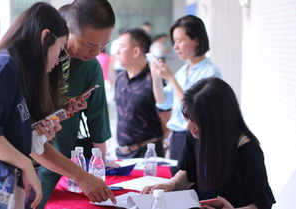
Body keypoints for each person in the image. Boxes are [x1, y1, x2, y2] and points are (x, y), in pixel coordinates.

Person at [0, 2, 70, 208]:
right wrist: (25, 165)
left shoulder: (15, 71)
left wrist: (34, 138)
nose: (58, 60)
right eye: (59, 49)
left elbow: (3, 132)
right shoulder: (4, 66)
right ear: (44, 37)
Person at [142, 77, 276, 209]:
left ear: (218, 120)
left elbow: (262, 203)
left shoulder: (246, 149)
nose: (189, 127)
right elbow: (190, 171)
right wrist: (173, 183)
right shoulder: (195, 135)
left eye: (195, 121)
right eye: (187, 119)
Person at [38, 0, 118, 207]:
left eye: (104, 46)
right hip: (26, 160)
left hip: (56, 159)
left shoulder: (90, 66)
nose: (97, 53)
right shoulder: (25, 64)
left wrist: (63, 110)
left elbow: (97, 117)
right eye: (90, 45)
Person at [150, 15, 222, 167]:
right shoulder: (183, 71)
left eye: (179, 41)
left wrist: (171, 78)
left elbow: (194, 109)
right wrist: (156, 77)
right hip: (177, 137)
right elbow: (163, 102)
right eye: (174, 42)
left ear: (196, 40)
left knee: (192, 186)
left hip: (196, 137)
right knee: (175, 183)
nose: (175, 47)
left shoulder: (211, 72)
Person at [114, 28, 164, 158]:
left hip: (147, 154)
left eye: (122, 47)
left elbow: (166, 120)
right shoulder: (120, 78)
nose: (117, 52)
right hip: (121, 154)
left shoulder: (155, 80)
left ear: (136, 51)